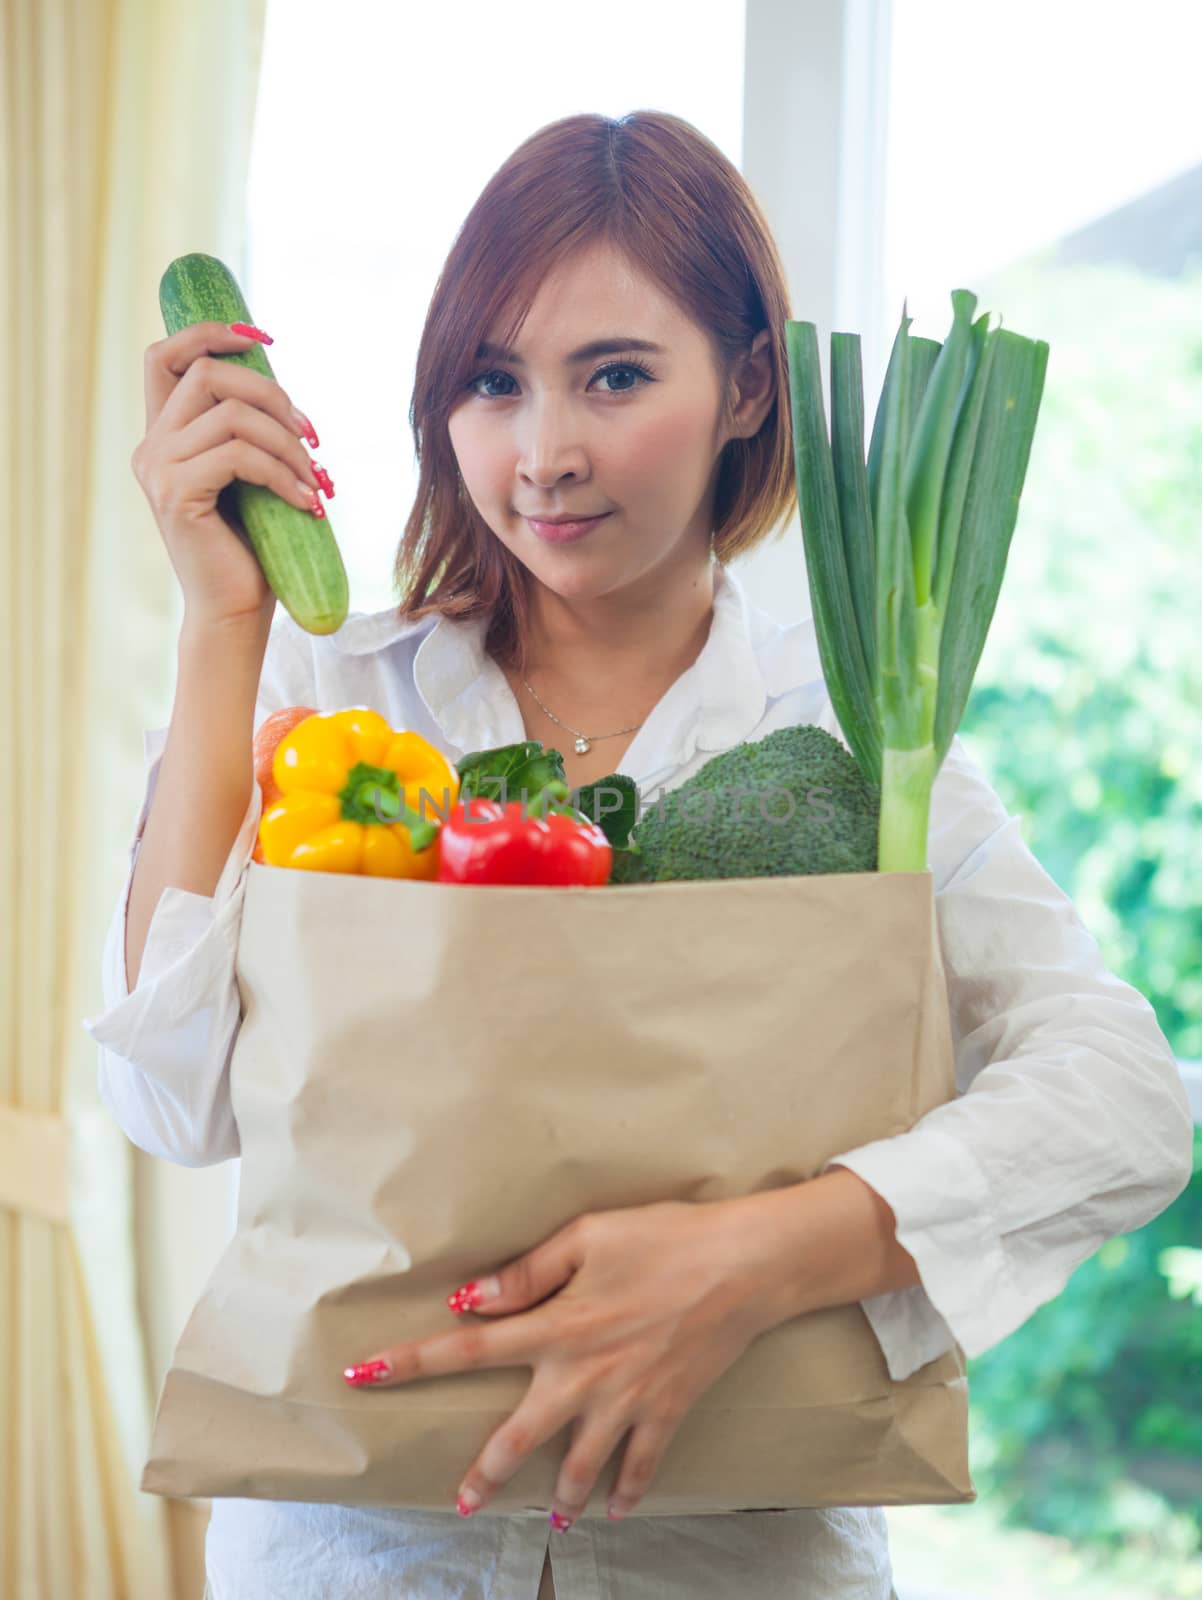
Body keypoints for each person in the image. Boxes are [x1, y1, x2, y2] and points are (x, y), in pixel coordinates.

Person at [84, 111, 1193, 1600]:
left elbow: (1123, 1103)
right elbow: (168, 1096)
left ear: (746, 386)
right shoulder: (327, 705)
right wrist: (228, 627)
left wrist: (761, 1256)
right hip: (358, 1552)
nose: (543, 455)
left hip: (737, 1564)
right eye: (493, 382)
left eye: (614, 376)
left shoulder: (855, 741)